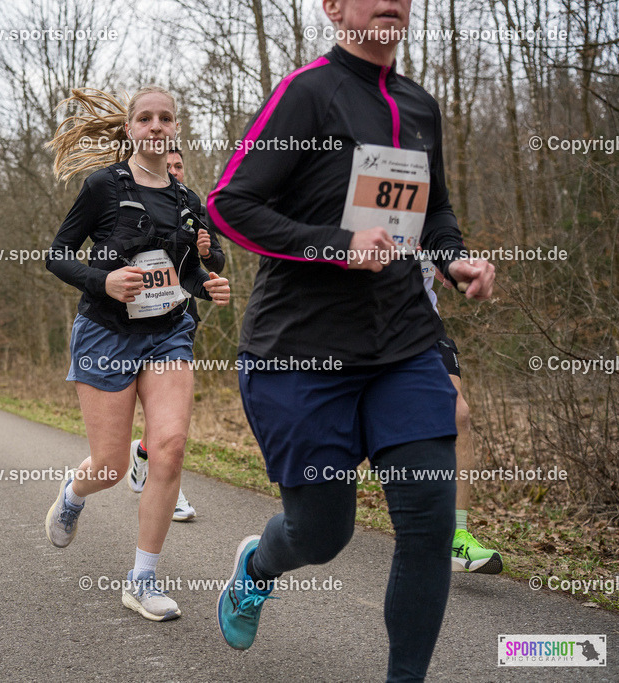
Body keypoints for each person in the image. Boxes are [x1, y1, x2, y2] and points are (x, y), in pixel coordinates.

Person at [208, 1, 495, 680]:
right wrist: (336, 246)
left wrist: (453, 259)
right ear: (334, 7)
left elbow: (435, 209)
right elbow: (229, 203)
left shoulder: (421, 105)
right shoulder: (308, 94)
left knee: (427, 523)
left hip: (402, 343)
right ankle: (258, 563)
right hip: (300, 352)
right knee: (321, 533)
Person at [44, 85, 231, 621]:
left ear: (174, 128)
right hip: (106, 332)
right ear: (130, 129)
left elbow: (186, 269)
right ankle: (74, 494)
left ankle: (141, 580)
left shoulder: (185, 199)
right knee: (110, 465)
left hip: (168, 333)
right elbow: (56, 256)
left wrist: (206, 285)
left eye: (165, 118)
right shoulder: (103, 186)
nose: (155, 126)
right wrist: (104, 281)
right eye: (145, 118)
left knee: (169, 447)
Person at [127, 147, 227, 522]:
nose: (173, 170)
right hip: (134, 321)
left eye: (178, 165)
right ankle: (143, 452)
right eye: (167, 165)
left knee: (168, 415)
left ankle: (167, 481)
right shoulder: (134, 200)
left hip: (182, 318)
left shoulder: (192, 207)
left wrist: (206, 253)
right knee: (151, 408)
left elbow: (216, 260)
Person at [425, 262, 503, 574]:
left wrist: (458, 268)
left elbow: (442, 243)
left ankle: (455, 536)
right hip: (352, 319)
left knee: (459, 414)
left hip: (418, 320)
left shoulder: (430, 213)